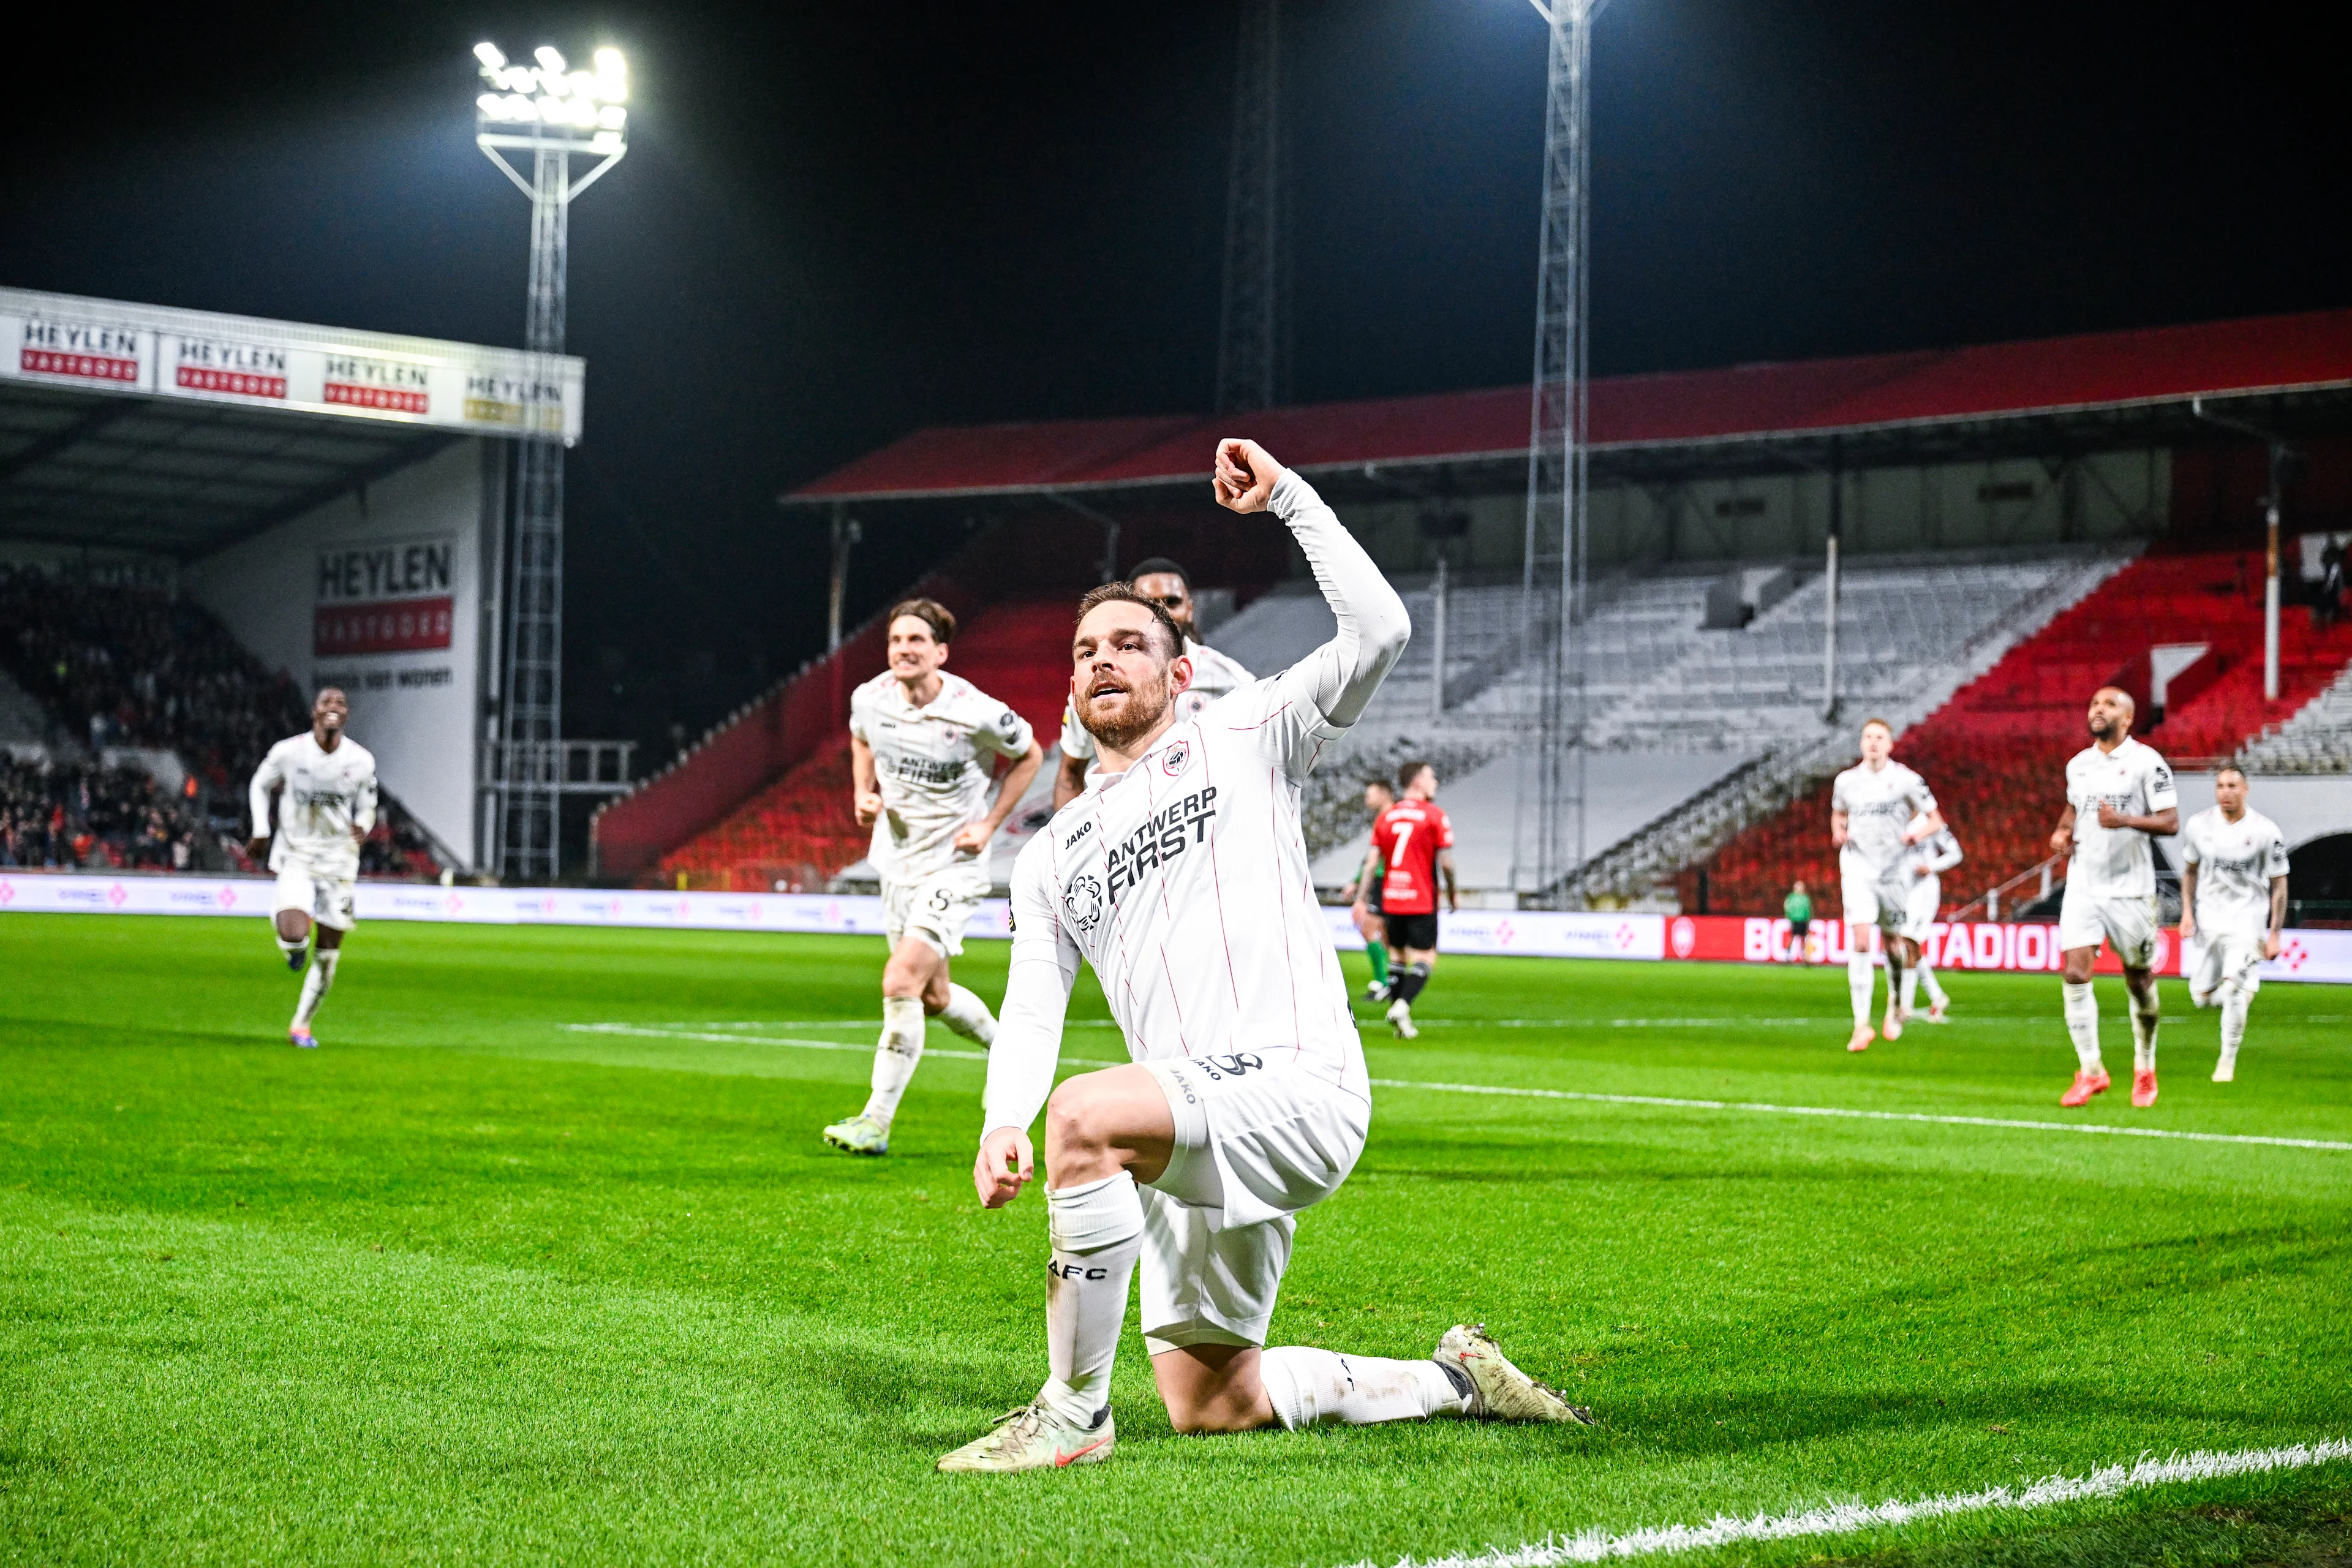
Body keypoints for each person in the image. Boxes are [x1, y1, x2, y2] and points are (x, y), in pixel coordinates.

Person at [937, 438, 1589, 1473]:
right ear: (1068, 690)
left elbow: (1382, 627)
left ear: (1180, 672)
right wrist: (998, 1122)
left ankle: (1072, 1414)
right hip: (1190, 1126)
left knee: (1085, 1116)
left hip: (1295, 1082)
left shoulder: (1244, 732)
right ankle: (1458, 1380)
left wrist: (1287, 498)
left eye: (1130, 644)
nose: (1102, 658)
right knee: (1212, 1401)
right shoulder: (1051, 856)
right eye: (1085, 651)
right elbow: (1031, 1006)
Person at [823, 599, 1044, 1156]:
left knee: (900, 983)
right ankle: (1007, 1056)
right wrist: (862, 792)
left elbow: (1031, 754)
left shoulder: (976, 711)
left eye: (917, 641)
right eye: (897, 640)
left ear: (940, 652)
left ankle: (875, 1121)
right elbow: (859, 738)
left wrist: (990, 824)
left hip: (954, 865)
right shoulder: (869, 699)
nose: (904, 649)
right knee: (935, 995)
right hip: (896, 863)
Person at [2049, 686, 2179, 1109]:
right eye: (2093, 704)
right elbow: (2074, 807)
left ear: (2127, 718)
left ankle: (2145, 1066)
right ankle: (2091, 1071)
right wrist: (2064, 831)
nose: (2098, 709)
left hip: (2132, 890)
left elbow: (2171, 822)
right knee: (2074, 973)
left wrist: (2124, 820)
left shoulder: (2147, 763)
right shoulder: (2079, 765)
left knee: (2139, 980)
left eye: (2108, 705)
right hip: (2084, 884)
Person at [1050, 557, 1253, 810]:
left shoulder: (1231, 680)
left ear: (1190, 609)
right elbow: (1070, 774)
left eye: (1172, 602)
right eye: (1149, 603)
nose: (1162, 614)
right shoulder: (1098, 689)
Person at [246, 687, 377, 1049]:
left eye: (340, 703)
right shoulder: (289, 752)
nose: (333, 707)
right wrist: (261, 829)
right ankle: (294, 949)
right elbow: (260, 784)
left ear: (346, 715)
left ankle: (301, 1025)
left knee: (329, 955)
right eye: (326, 702)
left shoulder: (361, 760)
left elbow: (368, 804)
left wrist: (364, 824)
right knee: (293, 934)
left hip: (339, 861)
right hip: (297, 855)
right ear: (314, 712)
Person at [1828, 719, 1943, 1052]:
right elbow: (1838, 814)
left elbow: (1935, 819)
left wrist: (1915, 834)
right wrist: (1838, 831)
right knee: (1862, 939)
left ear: (1891, 745)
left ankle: (1895, 1001)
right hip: (1858, 867)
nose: (1873, 743)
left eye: (1880, 738)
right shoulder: (1846, 782)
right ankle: (1861, 1024)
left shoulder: (1906, 780)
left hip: (1894, 872)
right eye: (1868, 737)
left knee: (1893, 944)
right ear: (1861, 744)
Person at [2178, 766, 2290, 1084]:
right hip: (2208, 920)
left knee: (2234, 992)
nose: (2225, 792)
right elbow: (2190, 872)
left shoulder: (2266, 831)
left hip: (2246, 921)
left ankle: (2226, 1062)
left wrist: (2275, 934)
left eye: (2232, 786)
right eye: (2220, 786)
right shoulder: (2199, 825)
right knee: (2202, 998)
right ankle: (2240, 985)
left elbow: (2279, 884)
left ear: (2246, 790)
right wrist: (2187, 913)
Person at [1368, 761, 1456, 1039]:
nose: (1436, 783)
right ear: (1417, 781)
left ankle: (1401, 1021)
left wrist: (1361, 898)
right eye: (1432, 777)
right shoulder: (1434, 815)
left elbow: (1372, 863)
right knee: (1426, 957)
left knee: (1396, 955)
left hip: (1392, 897)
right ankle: (1402, 1004)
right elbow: (1446, 864)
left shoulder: (1387, 816)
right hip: (1421, 898)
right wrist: (1453, 893)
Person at [1896, 813, 1962, 1023]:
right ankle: (1936, 996)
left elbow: (1955, 854)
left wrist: (1931, 866)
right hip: (1904, 890)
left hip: (1924, 891)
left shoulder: (1930, 823)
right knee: (1909, 945)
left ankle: (1905, 1006)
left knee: (1908, 941)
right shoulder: (1896, 818)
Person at [1348, 777, 1397, 1001]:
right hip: (1386, 881)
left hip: (1386, 881)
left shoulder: (1389, 819)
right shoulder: (1388, 818)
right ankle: (1388, 983)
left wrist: (1358, 884)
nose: (1367, 798)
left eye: (1371, 793)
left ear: (1384, 794)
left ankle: (1385, 982)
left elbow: (1375, 858)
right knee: (1383, 934)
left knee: (1368, 926)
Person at [1783, 880, 1813, 962]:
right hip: (1794, 920)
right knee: (1791, 938)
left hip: (1803, 920)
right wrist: (1788, 917)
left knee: (1803, 939)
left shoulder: (1805, 898)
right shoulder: (1791, 897)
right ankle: (1787, 956)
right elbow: (1787, 908)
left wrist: (1809, 919)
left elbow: (1808, 909)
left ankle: (1805, 958)